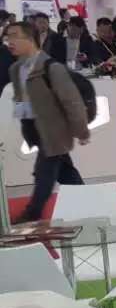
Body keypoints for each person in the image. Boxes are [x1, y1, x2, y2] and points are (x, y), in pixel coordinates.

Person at [6, 21, 89, 223]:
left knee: (44, 173)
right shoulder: (16, 69)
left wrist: (81, 130)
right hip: (34, 129)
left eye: (15, 36)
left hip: (54, 130)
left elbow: (72, 101)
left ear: (30, 39)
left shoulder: (51, 68)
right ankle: (89, 202)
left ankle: (32, 213)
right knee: (65, 172)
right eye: (7, 37)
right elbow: (21, 99)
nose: (9, 42)